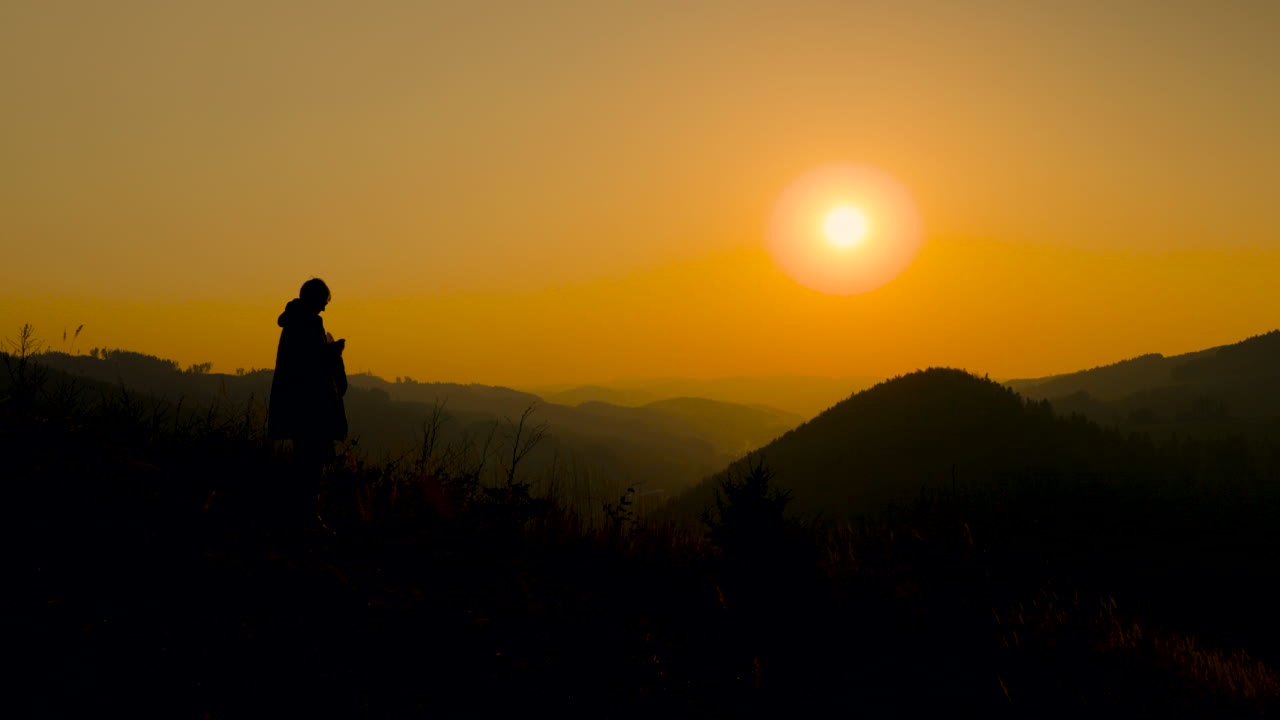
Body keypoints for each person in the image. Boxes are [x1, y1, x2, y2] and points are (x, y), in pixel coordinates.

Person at [268, 278, 348, 528]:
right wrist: (334, 353)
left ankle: (301, 516)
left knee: (305, 461)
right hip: (312, 408)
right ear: (315, 300)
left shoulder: (293, 322)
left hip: (296, 406)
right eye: (323, 302)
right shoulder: (310, 323)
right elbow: (312, 365)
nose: (324, 308)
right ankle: (307, 518)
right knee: (312, 464)